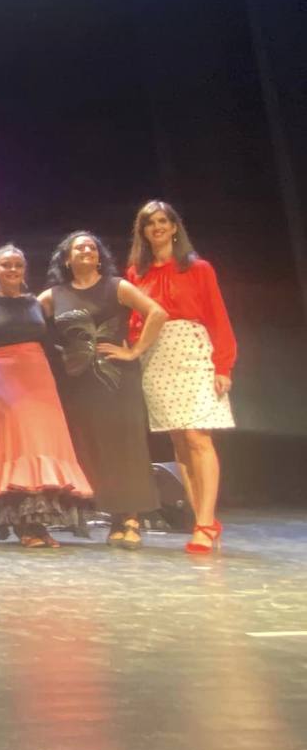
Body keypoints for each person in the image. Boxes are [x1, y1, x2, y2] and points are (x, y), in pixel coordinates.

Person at [39, 231, 166, 549]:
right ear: (67, 258)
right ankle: (113, 517)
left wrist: (134, 351)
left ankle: (131, 518)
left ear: (99, 256)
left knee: (125, 447)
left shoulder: (116, 286)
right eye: (78, 247)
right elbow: (22, 316)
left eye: (92, 246)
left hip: (116, 380)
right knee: (92, 448)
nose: (86, 250)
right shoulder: (55, 294)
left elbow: (157, 312)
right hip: (77, 383)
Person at [0, 245, 94, 547]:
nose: (12, 270)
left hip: (39, 375)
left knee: (46, 443)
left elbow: (46, 340)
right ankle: (24, 525)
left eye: (17, 265)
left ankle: (41, 525)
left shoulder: (34, 303)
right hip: (7, 375)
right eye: (6, 265)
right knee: (20, 445)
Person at [126, 200, 236, 555]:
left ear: (174, 227)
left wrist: (223, 365)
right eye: (149, 223)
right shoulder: (135, 274)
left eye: (162, 221)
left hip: (193, 351)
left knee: (198, 437)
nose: (156, 227)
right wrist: (132, 350)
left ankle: (206, 521)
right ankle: (201, 521)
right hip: (157, 357)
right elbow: (135, 322)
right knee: (179, 442)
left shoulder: (199, 268)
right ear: (142, 231)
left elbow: (218, 317)